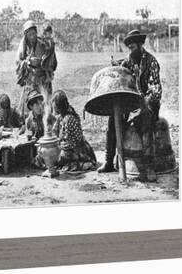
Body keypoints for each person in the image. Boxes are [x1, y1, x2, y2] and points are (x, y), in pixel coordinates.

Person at [98, 30, 162, 180]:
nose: (131, 51)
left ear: (140, 45)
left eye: (133, 47)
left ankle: (149, 167)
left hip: (148, 104)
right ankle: (109, 161)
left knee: (146, 122)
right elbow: (121, 71)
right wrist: (115, 67)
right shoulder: (130, 61)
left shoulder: (151, 62)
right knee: (113, 121)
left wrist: (143, 103)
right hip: (132, 103)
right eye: (129, 48)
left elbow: (156, 91)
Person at [15, 20, 57, 116]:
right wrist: (28, 62)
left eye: (34, 33)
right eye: (29, 35)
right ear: (26, 35)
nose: (32, 36)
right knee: (30, 104)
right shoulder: (24, 46)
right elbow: (18, 62)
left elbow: (51, 62)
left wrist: (42, 63)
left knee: (45, 105)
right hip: (31, 81)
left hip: (43, 80)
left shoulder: (43, 44)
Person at [51, 90, 97, 171]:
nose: (52, 106)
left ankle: (82, 164)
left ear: (59, 105)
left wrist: (58, 147)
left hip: (78, 150)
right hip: (65, 148)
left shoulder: (69, 118)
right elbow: (53, 133)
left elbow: (72, 143)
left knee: (57, 157)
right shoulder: (60, 117)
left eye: (53, 103)